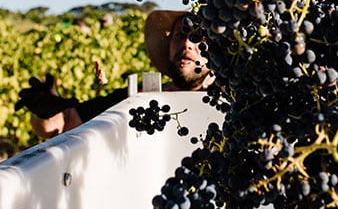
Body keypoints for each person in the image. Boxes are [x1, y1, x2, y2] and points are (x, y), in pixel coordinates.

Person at [18, 10, 214, 139]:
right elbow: (62, 124)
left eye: (198, 37)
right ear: (169, 45)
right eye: (181, 34)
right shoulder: (137, 98)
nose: (187, 43)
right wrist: (45, 111)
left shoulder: (235, 104)